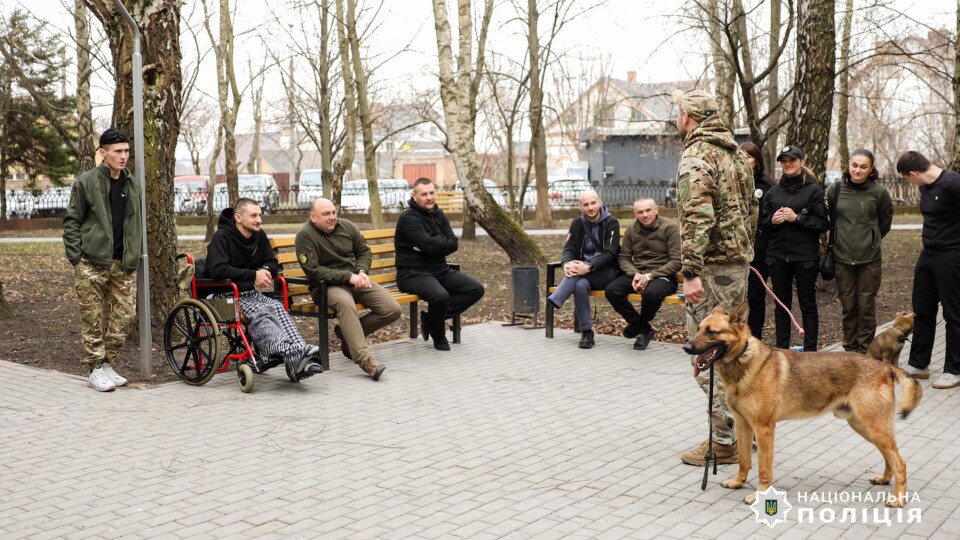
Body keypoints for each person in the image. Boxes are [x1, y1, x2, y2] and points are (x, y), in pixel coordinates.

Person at [672, 88, 757, 466]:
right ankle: (744, 431)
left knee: (707, 356)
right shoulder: (736, 154)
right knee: (735, 354)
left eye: (678, 111)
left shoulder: (697, 156)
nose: (677, 118)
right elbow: (750, 210)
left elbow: (697, 217)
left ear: (688, 116)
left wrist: (690, 272)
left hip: (710, 269)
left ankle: (725, 440)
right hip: (736, 267)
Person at [206, 198, 323, 383]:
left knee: (276, 306)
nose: (258, 220)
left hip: (248, 293)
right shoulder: (221, 238)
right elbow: (217, 270)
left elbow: (271, 261)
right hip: (225, 293)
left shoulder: (258, 236)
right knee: (262, 311)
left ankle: (298, 357)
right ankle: (291, 352)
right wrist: (253, 275)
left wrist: (266, 271)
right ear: (238, 217)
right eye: (253, 216)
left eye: (259, 215)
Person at [63, 128, 141, 392]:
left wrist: (133, 254)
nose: (123, 156)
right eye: (118, 151)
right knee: (92, 319)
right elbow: (72, 221)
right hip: (91, 263)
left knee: (126, 317)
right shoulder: (86, 182)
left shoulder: (132, 184)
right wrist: (76, 258)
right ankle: (95, 368)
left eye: (126, 151)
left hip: (123, 263)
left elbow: (134, 223)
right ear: (103, 152)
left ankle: (107, 363)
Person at [295, 198, 401, 381]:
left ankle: (346, 335)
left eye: (333, 212)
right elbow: (313, 271)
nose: (332, 217)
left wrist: (361, 271)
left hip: (355, 279)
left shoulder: (347, 226)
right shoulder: (305, 235)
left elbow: (364, 252)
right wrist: (348, 277)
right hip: (325, 286)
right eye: (326, 214)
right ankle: (364, 359)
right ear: (313, 217)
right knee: (345, 303)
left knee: (392, 309)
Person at [395, 178, 485, 350]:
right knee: (440, 296)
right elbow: (430, 245)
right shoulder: (408, 218)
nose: (429, 197)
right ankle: (439, 336)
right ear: (414, 196)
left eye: (431, 193)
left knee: (475, 289)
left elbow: (453, 243)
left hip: (440, 270)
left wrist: (432, 244)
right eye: (424, 194)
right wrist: (437, 243)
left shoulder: (438, 213)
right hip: (412, 273)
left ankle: (431, 319)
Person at [897, 151, 960, 389]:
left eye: (906, 178)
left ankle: (954, 369)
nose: (908, 182)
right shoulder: (925, 187)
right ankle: (919, 364)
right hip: (928, 255)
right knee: (923, 310)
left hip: (952, 256)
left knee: (953, 314)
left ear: (913, 174)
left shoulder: (953, 184)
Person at [761, 145, 829, 352]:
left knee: (807, 304)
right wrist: (772, 220)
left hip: (804, 257)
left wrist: (797, 218)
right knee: (782, 306)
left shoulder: (814, 190)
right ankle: (781, 350)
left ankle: (810, 351)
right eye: (784, 161)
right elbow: (762, 225)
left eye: (792, 160)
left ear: (801, 161)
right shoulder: (773, 191)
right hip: (778, 256)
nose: (788, 164)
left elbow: (822, 224)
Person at [828, 148, 894, 353]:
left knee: (866, 307)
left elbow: (885, 223)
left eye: (863, 166)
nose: (858, 170)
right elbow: (830, 220)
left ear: (871, 169)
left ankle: (865, 351)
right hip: (842, 259)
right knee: (848, 308)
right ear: (849, 165)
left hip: (869, 261)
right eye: (854, 165)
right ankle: (849, 350)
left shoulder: (879, 192)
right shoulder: (835, 190)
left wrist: (871, 241)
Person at [604, 197, 681, 350]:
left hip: (662, 276)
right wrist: (635, 274)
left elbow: (676, 261)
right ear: (635, 214)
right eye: (640, 212)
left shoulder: (670, 228)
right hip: (637, 274)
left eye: (648, 210)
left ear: (656, 210)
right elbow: (624, 257)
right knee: (612, 291)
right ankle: (643, 328)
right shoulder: (632, 229)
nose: (645, 215)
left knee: (651, 294)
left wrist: (649, 276)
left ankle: (637, 327)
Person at [546, 190, 620, 349]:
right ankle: (587, 333)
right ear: (581, 207)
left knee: (579, 279)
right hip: (582, 272)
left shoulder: (611, 223)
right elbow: (569, 248)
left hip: (607, 271)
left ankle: (557, 298)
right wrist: (566, 263)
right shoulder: (577, 224)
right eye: (586, 204)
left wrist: (589, 266)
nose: (591, 207)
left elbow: (610, 253)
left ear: (599, 203)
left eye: (593, 203)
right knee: (580, 285)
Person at [740, 142, 776, 340]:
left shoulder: (767, 186)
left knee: (755, 298)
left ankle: (754, 339)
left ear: (757, 160)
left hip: (759, 251)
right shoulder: (732, 183)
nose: (745, 160)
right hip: (736, 250)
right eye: (741, 156)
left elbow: (769, 219)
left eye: (749, 156)